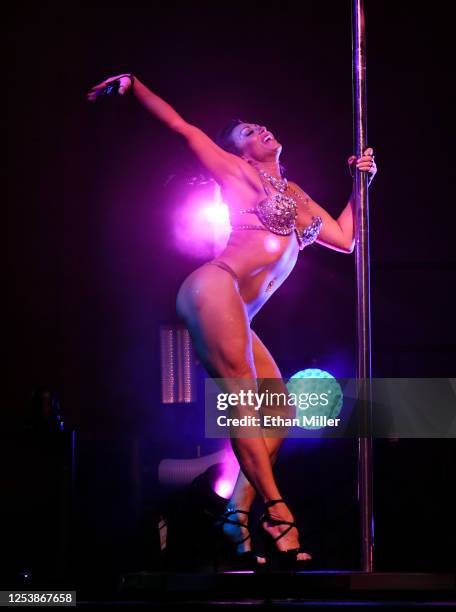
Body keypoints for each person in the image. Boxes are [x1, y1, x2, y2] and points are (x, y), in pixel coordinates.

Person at [87, 73, 377, 570]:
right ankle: (279, 514)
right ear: (239, 153)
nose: (258, 128)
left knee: (280, 414)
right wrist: (134, 87)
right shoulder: (233, 173)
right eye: (246, 131)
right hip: (211, 287)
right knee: (244, 394)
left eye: (257, 125)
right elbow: (181, 127)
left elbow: (348, 238)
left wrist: (360, 181)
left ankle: (235, 512)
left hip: (238, 312)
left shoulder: (298, 195)